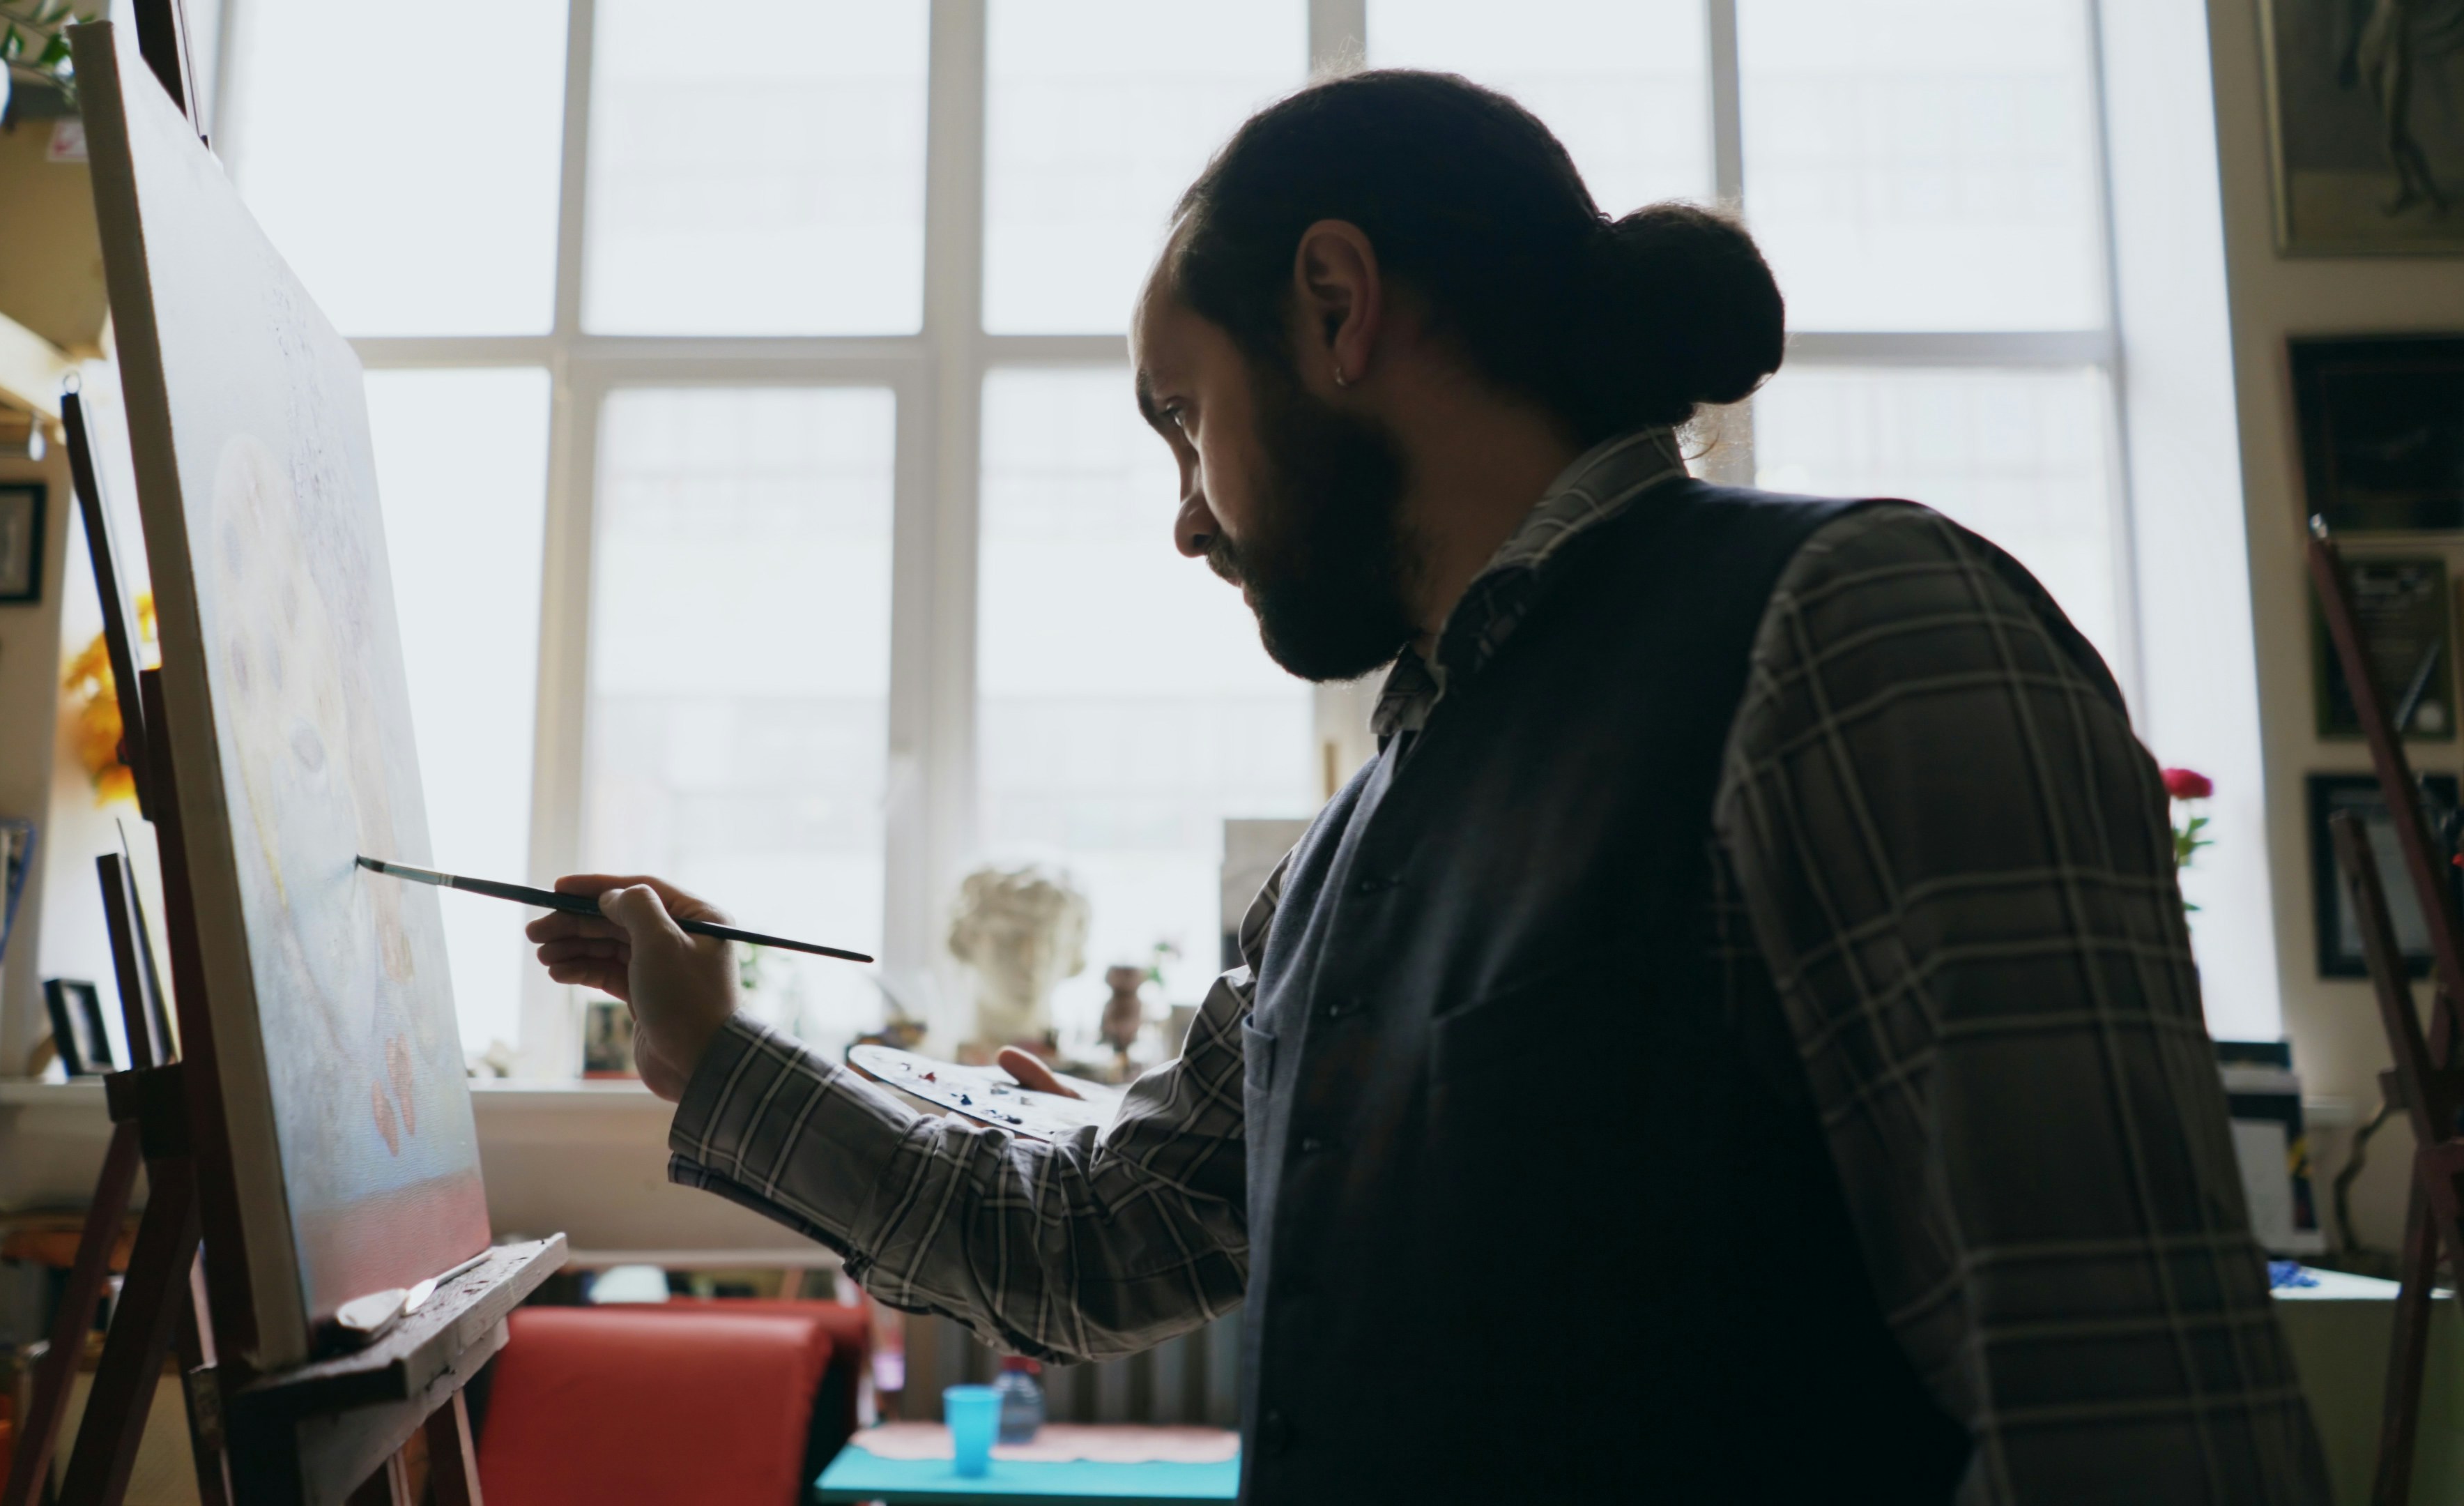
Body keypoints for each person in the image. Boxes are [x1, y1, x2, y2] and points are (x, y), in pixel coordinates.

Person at [529, 71, 2327, 1503]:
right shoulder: (1344, 855)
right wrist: (718, 1051)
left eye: (1182, 413)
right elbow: (1097, 1234)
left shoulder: (1863, 628)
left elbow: (2139, 1433)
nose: (1182, 513)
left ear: (1333, 304)